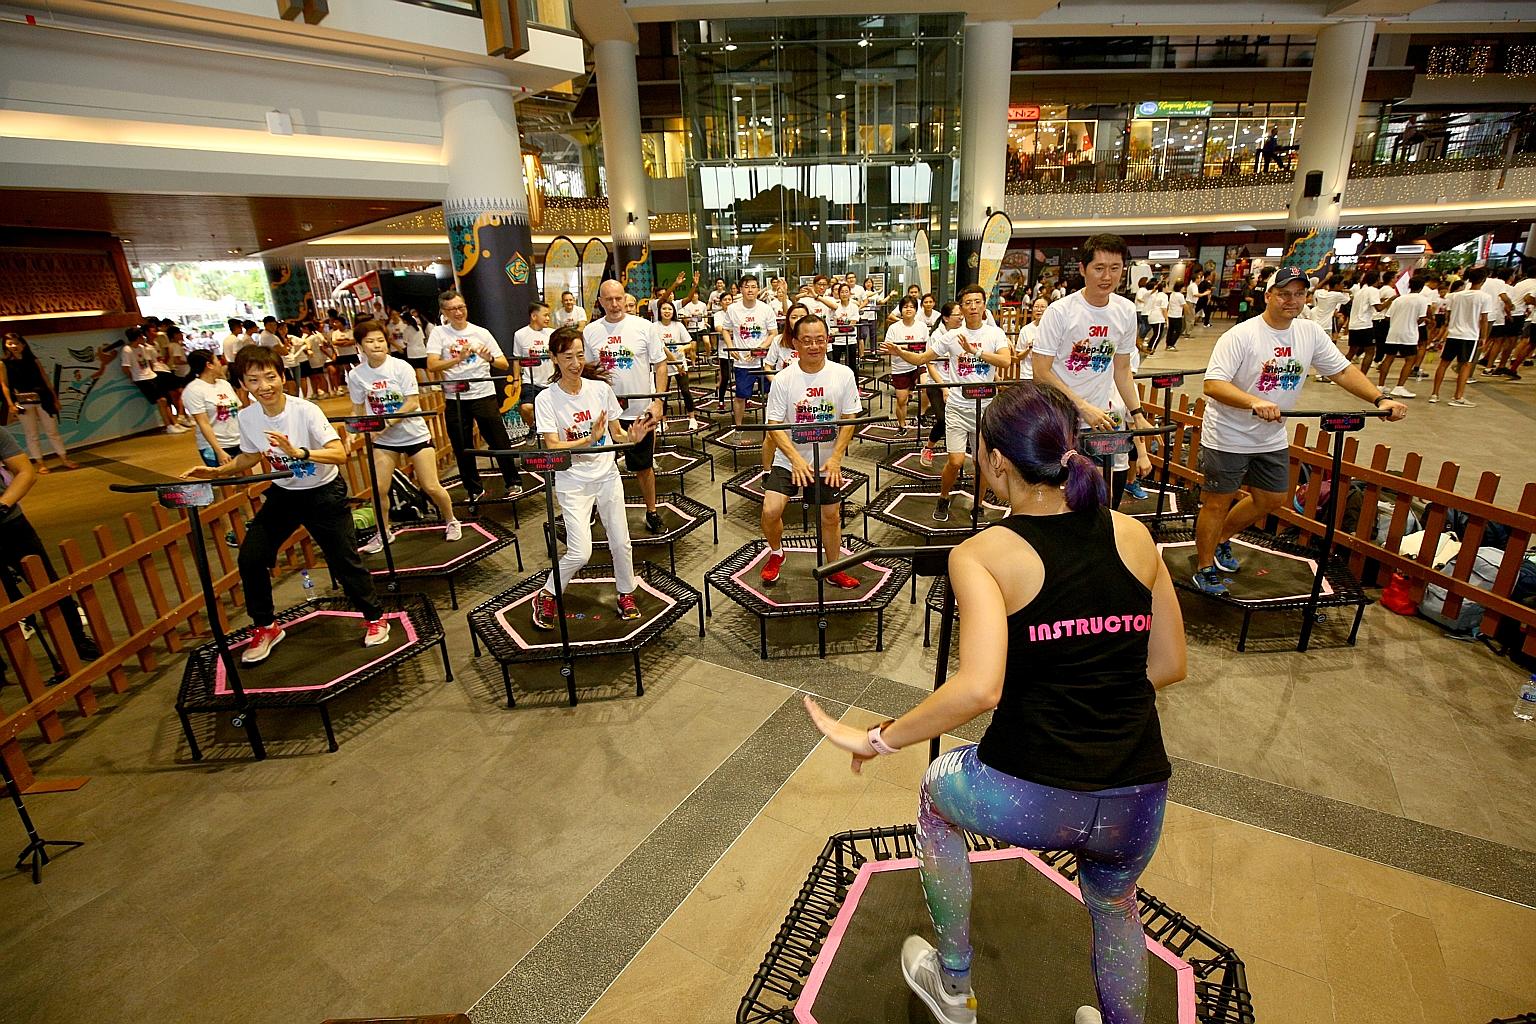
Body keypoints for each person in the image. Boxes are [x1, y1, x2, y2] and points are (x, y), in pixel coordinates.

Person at [802, 380, 1186, 1024]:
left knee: (937, 790)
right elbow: (1169, 664)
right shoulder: (1133, 536)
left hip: (1034, 791)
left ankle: (953, 987)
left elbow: (981, 689)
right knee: (1116, 905)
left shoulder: (981, 554)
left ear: (998, 461)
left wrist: (876, 738)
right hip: (1138, 795)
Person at [1191, 267, 1408, 594]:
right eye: (1284, 293)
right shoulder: (1241, 335)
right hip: (1228, 434)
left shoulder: (1310, 333)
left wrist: (1380, 398)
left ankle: (1222, 538)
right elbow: (1213, 384)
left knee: (1273, 498)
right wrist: (1252, 402)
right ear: (1268, 296)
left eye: (1299, 294)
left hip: (1271, 435)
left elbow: (1343, 371)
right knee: (1216, 503)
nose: (1292, 300)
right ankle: (1204, 566)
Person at [182, 345, 390, 664]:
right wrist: (217, 471)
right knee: (251, 557)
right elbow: (250, 456)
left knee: (344, 560)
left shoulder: (304, 410)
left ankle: (375, 617)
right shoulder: (248, 417)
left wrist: (299, 453)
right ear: (243, 385)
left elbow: (338, 454)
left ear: (282, 377)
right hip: (284, 494)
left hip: (323, 491)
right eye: (253, 380)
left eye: (270, 377)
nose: (264, 386)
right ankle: (266, 626)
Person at [530, 327, 652, 629]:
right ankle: (547, 593)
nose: (575, 363)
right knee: (580, 552)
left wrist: (632, 438)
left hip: (607, 476)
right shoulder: (546, 399)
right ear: (554, 358)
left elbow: (616, 434)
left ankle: (626, 592)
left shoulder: (599, 389)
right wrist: (587, 440)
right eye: (568, 356)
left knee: (621, 542)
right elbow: (553, 446)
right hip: (573, 482)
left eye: (580, 355)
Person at [1032, 234, 1155, 507]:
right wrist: (1082, 406)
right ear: (1082, 269)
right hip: (1060, 420)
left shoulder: (1125, 310)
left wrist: (1138, 415)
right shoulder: (1061, 311)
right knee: (1058, 498)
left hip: (1101, 422)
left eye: (1115, 268)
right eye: (1099, 268)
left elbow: (1122, 370)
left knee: (1100, 498)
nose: (1107, 276)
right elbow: (1041, 371)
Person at [886, 285, 1011, 522]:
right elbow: (922, 358)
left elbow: (1005, 361)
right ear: (961, 309)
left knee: (981, 463)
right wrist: (899, 352)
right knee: (955, 461)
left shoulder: (994, 334)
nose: (973, 307)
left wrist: (975, 352)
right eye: (968, 303)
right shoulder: (952, 336)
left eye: (977, 302)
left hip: (985, 409)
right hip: (957, 407)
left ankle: (978, 502)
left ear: (984, 305)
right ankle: (943, 496)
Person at [759, 315, 863, 588]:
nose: (814, 346)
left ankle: (834, 567)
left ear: (828, 340)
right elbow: (773, 424)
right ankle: (776, 552)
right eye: (807, 341)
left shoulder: (844, 374)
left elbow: (850, 418)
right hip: (789, 457)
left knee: (831, 516)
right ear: (796, 343)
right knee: (771, 510)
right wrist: (794, 459)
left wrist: (837, 458)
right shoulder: (783, 379)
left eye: (819, 340)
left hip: (827, 459)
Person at [346, 319, 461, 551]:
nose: (376, 345)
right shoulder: (357, 375)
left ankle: (451, 520)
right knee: (378, 489)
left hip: (414, 436)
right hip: (384, 442)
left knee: (430, 485)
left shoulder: (401, 367)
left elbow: (411, 402)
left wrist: (385, 422)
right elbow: (357, 408)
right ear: (360, 346)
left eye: (380, 340)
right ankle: (383, 532)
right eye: (370, 341)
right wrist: (351, 432)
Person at [0, 429, 100, 660]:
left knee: (46, 583)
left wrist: (3, 504)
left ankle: (77, 640)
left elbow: (25, 472)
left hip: (9, 524)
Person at [584, 279, 669, 533]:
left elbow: (660, 364)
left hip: (639, 410)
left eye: (618, 298)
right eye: (608, 299)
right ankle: (592, 510)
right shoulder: (591, 331)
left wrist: (658, 400)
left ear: (625, 298)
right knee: (596, 465)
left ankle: (651, 511)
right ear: (600, 302)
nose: (614, 304)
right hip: (604, 412)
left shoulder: (645, 327)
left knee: (643, 467)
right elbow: (588, 371)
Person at [426, 289, 521, 502]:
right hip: (455, 397)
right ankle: (474, 489)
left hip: (484, 394)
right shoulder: (439, 334)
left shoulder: (481, 332)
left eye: (461, 307)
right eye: (452, 309)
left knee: (499, 441)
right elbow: (431, 365)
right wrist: (457, 359)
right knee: (462, 446)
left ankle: (513, 482)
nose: (458, 313)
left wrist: (488, 358)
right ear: (444, 312)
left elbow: (503, 363)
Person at [2, 332, 80, 471]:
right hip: (22, 401)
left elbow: (45, 380)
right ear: (5, 346)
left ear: (23, 344)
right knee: (31, 433)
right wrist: (10, 404)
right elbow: (5, 385)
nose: (14, 346)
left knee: (52, 430)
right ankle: (40, 464)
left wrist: (55, 399)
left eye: (17, 343)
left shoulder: (33, 360)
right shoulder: (4, 364)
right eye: (10, 343)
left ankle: (64, 458)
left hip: (42, 398)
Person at [718, 275, 779, 428]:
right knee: (740, 396)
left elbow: (773, 333)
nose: (750, 290)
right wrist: (731, 346)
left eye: (753, 286)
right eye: (746, 286)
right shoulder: (733, 309)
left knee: (772, 395)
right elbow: (725, 329)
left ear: (758, 289)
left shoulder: (765, 309)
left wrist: (761, 348)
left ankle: (773, 426)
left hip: (764, 362)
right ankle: (738, 427)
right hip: (742, 363)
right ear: (740, 289)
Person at [1432, 269, 1497, 407]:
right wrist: (1483, 337)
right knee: (1466, 364)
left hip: (1453, 333)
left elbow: (1448, 315)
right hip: (1470, 336)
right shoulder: (1485, 297)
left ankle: (1435, 394)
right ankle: (1458, 396)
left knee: (1443, 363)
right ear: (1483, 280)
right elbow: (1484, 319)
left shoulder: (1455, 296)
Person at [1376, 274, 1439, 399]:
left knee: (1388, 358)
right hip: (1409, 334)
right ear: (1421, 288)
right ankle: (1399, 387)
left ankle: (1380, 385)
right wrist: (1414, 322)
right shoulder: (1422, 300)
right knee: (1410, 359)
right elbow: (1421, 318)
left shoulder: (1398, 299)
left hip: (1393, 333)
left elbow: (1387, 317)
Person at [182, 350, 244, 468]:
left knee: (245, 480)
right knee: (225, 481)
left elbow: (239, 409)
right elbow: (203, 423)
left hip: (236, 440)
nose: (221, 363)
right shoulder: (194, 390)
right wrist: (219, 451)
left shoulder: (224, 384)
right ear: (209, 365)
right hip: (215, 445)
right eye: (217, 360)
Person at [121, 326, 186, 434]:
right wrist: (132, 378)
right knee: (162, 400)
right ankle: (168, 425)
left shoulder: (142, 348)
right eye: (141, 336)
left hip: (152, 375)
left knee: (165, 399)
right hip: (141, 378)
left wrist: (153, 372)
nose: (143, 338)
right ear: (137, 337)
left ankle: (175, 423)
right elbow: (125, 367)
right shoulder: (127, 350)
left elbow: (149, 362)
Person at [882, 295, 929, 433]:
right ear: (900, 310)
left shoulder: (922, 327)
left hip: (918, 364)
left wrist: (900, 349)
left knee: (926, 387)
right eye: (905, 307)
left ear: (916, 310)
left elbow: (926, 347)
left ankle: (921, 414)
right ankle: (902, 425)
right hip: (900, 368)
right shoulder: (894, 328)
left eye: (912, 307)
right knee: (901, 400)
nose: (908, 309)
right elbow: (887, 350)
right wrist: (905, 351)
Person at [651, 299, 700, 429]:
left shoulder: (678, 325)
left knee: (685, 391)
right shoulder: (654, 327)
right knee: (662, 394)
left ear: (674, 311)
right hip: (662, 366)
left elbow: (690, 343)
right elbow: (663, 350)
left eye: (670, 309)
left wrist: (684, 348)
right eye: (664, 309)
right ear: (659, 311)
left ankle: (692, 418)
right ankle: (663, 421)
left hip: (680, 364)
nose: (667, 312)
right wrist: (677, 365)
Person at [512, 301, 555, 438]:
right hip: (530, 381)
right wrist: (516, 379)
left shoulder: (552, 333)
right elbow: (517, 359)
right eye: (545, 315)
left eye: (549, 315)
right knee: (526, 408)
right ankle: (532, 427)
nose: (548, 318)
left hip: (551, 381)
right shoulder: (520, 334)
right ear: (534, 316)